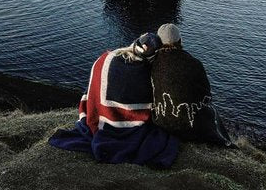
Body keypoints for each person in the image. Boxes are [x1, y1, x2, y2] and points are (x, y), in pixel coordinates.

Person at [48, 33, 179, 168]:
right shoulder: (142, 72)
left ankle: (107, 118)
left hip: (98, 116)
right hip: (125, 127)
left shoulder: (107, 57)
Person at [150, 23, 234, 147]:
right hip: (193, 126)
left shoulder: (152, 63)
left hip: (162, 123)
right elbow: (206, 94)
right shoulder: (193, 63)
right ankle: (227, 142)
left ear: (158, 42)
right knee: (212, 111)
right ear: (180, 40)